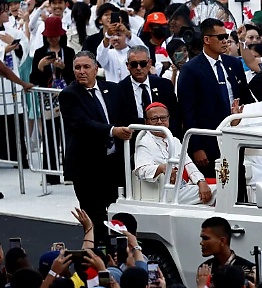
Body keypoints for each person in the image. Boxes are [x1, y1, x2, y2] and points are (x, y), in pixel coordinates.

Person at [59, 50, 133, 245]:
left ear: (96, 68)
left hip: (114, 165)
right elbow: (82, 124)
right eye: (77, 67)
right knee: (95, 217)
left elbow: (127, 117)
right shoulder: (69, 95)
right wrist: (112, 131)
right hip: (87, 169)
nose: (81, 71)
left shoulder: (113, 89)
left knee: (119, 215)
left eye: (86, 67)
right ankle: (98, 258)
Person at [177, 17, 253, 178]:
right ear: (207, 39)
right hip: (208, 140)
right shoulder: (191, 70)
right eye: (221, 37)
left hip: (236, 136)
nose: (225, 41)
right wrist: (196, 147)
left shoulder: (234, 64)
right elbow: (187, 111)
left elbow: (245, 97)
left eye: (226, 37)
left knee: (238, 184)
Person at [134, 102, 215, 205]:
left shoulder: (174, 141)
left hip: (182, 188)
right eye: (154, 119)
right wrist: (162, 168)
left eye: (163, 118)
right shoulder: (144, 142)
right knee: (219, 192)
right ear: (146, 122)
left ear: (168, 119)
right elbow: (141, 170)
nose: (159, 122)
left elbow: (188, 164)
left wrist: (201, 181)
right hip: (163, 192)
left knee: (221, 189)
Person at [0, 0, 30, 171]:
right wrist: (6, 50)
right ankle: (1, 155)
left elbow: (24, 45)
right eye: (4, 11)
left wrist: (15, 45)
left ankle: (20, 156)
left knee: (16, 119)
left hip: (13, 78)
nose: (7, 14)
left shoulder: (11, 29)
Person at [29, 16, 75, 186]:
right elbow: (33, 79)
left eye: (56, 35)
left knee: (68, 136)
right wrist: (41, 66)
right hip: (48, 100)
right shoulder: (40, 53)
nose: (53, 39)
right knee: (50, 136)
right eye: (50, 36)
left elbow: (75, 76)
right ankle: (51, 175)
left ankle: (70, 174)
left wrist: (64, 68)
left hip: (67, 98)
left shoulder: (68, 52)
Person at [117, 46, 179, 138]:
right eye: (134, 64)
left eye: (143, 64)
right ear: (127, 66)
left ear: (149, 63)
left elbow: (175, 115)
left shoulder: (164, 85)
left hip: (165, 138)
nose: (138, 68)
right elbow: (123, 120)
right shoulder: (119, 89)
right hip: (134, 141)